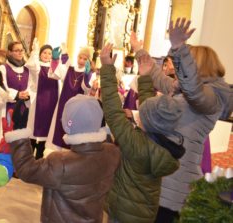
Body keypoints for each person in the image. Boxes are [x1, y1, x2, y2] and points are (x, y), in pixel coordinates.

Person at [130, 19, 231, 222]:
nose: (180, 70)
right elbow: (159, 77)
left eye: (188, 64)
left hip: (175, 181)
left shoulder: (211, 97)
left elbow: (194, 91)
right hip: (165, 175)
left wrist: (178, 48)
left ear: (197, 66)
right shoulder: (189, 90)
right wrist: (140, 51)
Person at [99, 43, 183, 222]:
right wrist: (145, 78)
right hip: (145, 215)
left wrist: (107, 69)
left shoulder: (135, 144)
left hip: (122, 213)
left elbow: (113, 112)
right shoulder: (164, 144)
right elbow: (152, 113)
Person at [5, 94, 120, 222]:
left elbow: (27, 170)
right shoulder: (112, 153)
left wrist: (19, 132)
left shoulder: (61, 163)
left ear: (67, 124)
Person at [47, 45, 98, 150]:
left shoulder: (90, 74)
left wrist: (87, 75)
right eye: (80, 57)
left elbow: (86, 88)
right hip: (63, 105)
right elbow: (55, 74)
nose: (81, 60)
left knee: (72, 128)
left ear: (89, 61)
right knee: (60, 128)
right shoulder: (69, 69)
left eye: (85, 59)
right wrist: (55, 60)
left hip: (78, 109)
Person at [25, 41, 60, 159]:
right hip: (37, 102)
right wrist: (34, 51)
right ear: (40, 54)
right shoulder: (37, 66)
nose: (46, 55)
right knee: (34, 128)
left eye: (49, 53)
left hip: (51, 102)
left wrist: (59, 59)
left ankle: (40, 155)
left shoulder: (55, 68)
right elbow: (31, 65)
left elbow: (62, 73)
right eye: (44, 52)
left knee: (47, 128)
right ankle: (30, 155)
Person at [0, 41, 36, 136]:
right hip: (8, 106)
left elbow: (32, 86)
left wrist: (28, 94)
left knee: (21, 135)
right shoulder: (3, 68)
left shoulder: (27, 69)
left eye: (21, 50)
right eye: (17, 50)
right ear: (9, 52)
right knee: (8, 134)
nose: (20, 52)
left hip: (23, 108)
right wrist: (17, 95)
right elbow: (0, 88)